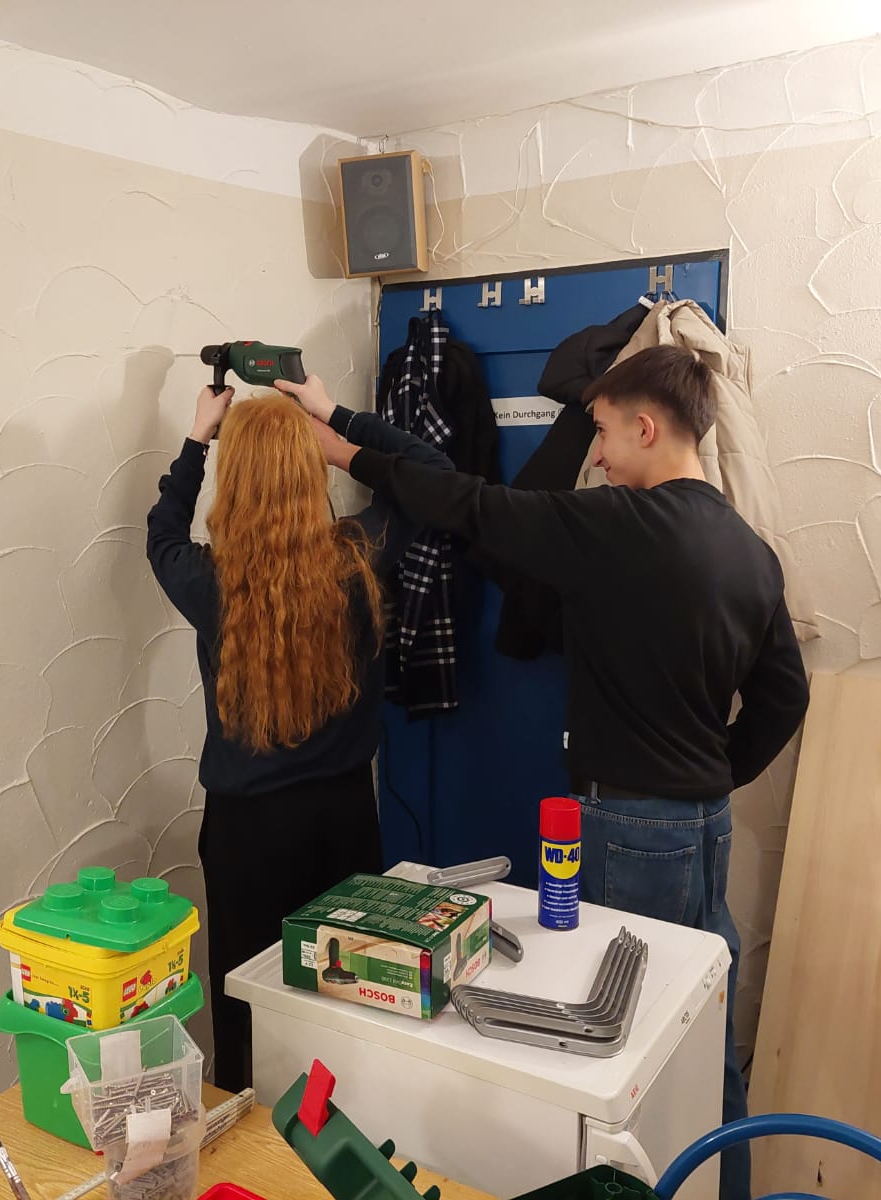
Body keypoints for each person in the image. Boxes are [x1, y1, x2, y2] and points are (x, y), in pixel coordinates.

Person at [294, 345, 809, 1200]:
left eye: (602, 431)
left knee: (621, 1060)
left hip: (631, 829)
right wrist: (711, 774)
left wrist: (345, 450)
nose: (595, 455)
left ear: (646, 427)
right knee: (701, 1036)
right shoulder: (749, 550)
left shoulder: (618, 526)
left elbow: (470, 504)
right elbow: (785, 696)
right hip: (704, 828)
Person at [145, 380, 453, 1091]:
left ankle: (255, 1141)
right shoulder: (358, 556)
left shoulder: (208, 580)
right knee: (347, 999)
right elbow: (432, 473)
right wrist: (336, 424)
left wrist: (198, 435)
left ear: (235, 481)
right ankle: (342, 1128)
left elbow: (161, 532)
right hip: (344, 821)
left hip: (245, 834)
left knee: (248, 1009)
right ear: (310, 471)